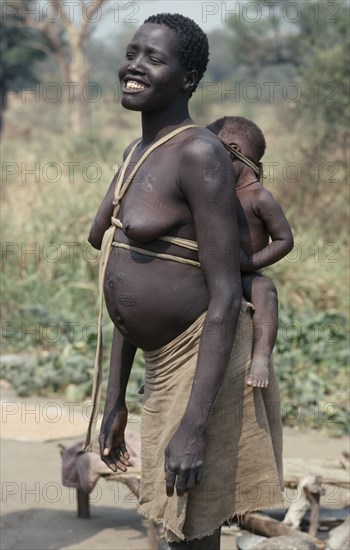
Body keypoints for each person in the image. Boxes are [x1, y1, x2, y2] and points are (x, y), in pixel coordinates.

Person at [85, 14, 283, 549]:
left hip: (200, 361)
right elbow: (127, 288)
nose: (134, 66)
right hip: (158, 365)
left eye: (155, 58)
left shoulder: (199, 155)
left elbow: (223, 297)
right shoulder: (137, 153)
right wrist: (115, 402)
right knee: (177, 524)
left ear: (189, 77)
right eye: (132, 53)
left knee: (191, 526)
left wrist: (194, 426)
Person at [207, 116, 294, 388]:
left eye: (212, 154)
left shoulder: (258, 196)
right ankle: (171, 367)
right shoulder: (216, 194)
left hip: (245, 275)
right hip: (210, 272)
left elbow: (284, 240)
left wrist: (250, 262)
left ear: (233, 150)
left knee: (265, 290)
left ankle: (260, 357)